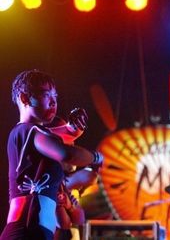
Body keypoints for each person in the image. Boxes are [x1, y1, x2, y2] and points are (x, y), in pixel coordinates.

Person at [0, 69, 103, 240]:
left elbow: (64, 134)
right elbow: (66, 153)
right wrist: (97, 157)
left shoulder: (31, 133)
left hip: (32, 231)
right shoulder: (30, 131)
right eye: (46, 94)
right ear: (25, 98)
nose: (54, 101)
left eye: (55, 96)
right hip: (26, 231)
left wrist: (74, 127)